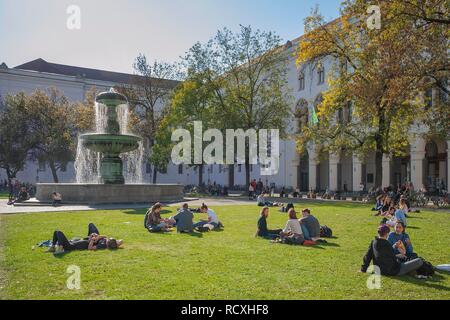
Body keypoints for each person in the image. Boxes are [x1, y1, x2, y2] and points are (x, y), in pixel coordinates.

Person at [48, 223, 123, 253]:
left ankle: (60, 248)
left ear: (109, 243)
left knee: (58, 232)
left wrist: (92, 240)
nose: (108, 238)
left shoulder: (102, 245)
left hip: (71, 246)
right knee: (91, 224)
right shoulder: (106, 240)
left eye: (109, 239)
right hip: (80, 240)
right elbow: (121, 241)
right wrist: (96, 236)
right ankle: (53, 247)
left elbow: (90, 248)